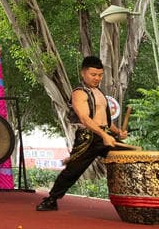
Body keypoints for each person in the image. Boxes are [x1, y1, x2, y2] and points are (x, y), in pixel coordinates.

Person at [36, 55, 128, 211]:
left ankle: (130, 197)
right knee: (73, 170)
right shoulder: (79, 93)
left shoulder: (100, 93)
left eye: (100, 75)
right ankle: (51, 199)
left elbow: (105, 120)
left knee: (129, 157)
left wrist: (117, 132)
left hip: (104, 135)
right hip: (88, 137)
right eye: (93, 74)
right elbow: (85, 119)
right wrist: (104, 135)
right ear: (83, 73)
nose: (97, 78)